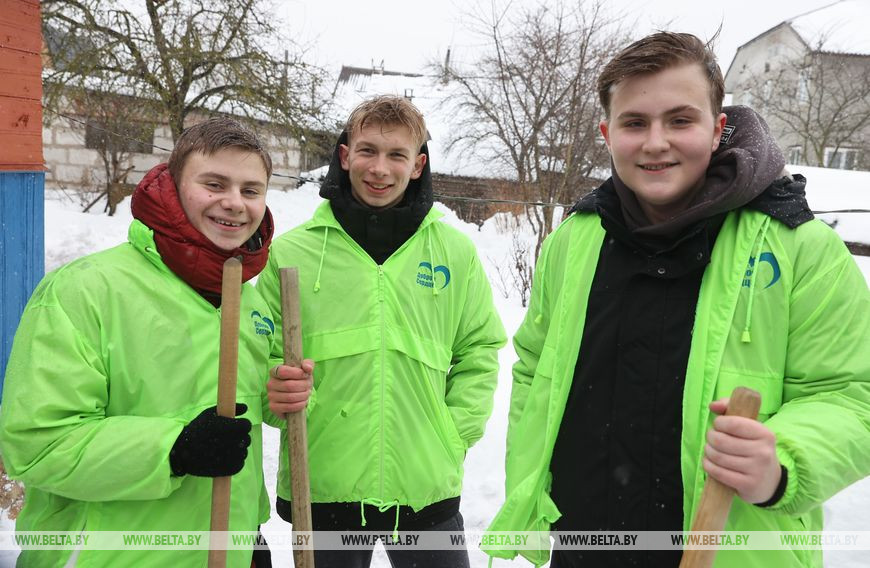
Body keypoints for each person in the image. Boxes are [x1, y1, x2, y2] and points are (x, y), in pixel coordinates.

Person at [484, 32, 870, 567]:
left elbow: (851, 395)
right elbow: (533, 368)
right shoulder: (574, 239)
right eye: (635, 122)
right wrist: (533, 486)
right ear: (607, 132)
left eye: (680, 120)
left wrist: (782, 464)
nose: (656, 142)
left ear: (716, 130)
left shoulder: (800, 247)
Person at [0, 117, 312, 567]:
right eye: (214, 184)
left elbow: (249, 401)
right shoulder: (86, 291)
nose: (234, 203)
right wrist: (175, 449)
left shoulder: (250, 300)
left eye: (250, 190)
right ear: (173, 185)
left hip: (232, 551)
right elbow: (37, 445)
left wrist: (282, 394)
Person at [258, 95, 506, 568]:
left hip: (425, 482)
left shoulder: (453, 252)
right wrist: (276, 393)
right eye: (368, 151)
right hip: (325, 480)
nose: (380, 168)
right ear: (345, 155)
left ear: (418, 165)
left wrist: (452, 433)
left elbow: (480, 346)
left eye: (397, 155)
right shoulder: (293, 254)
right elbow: (260, 355)